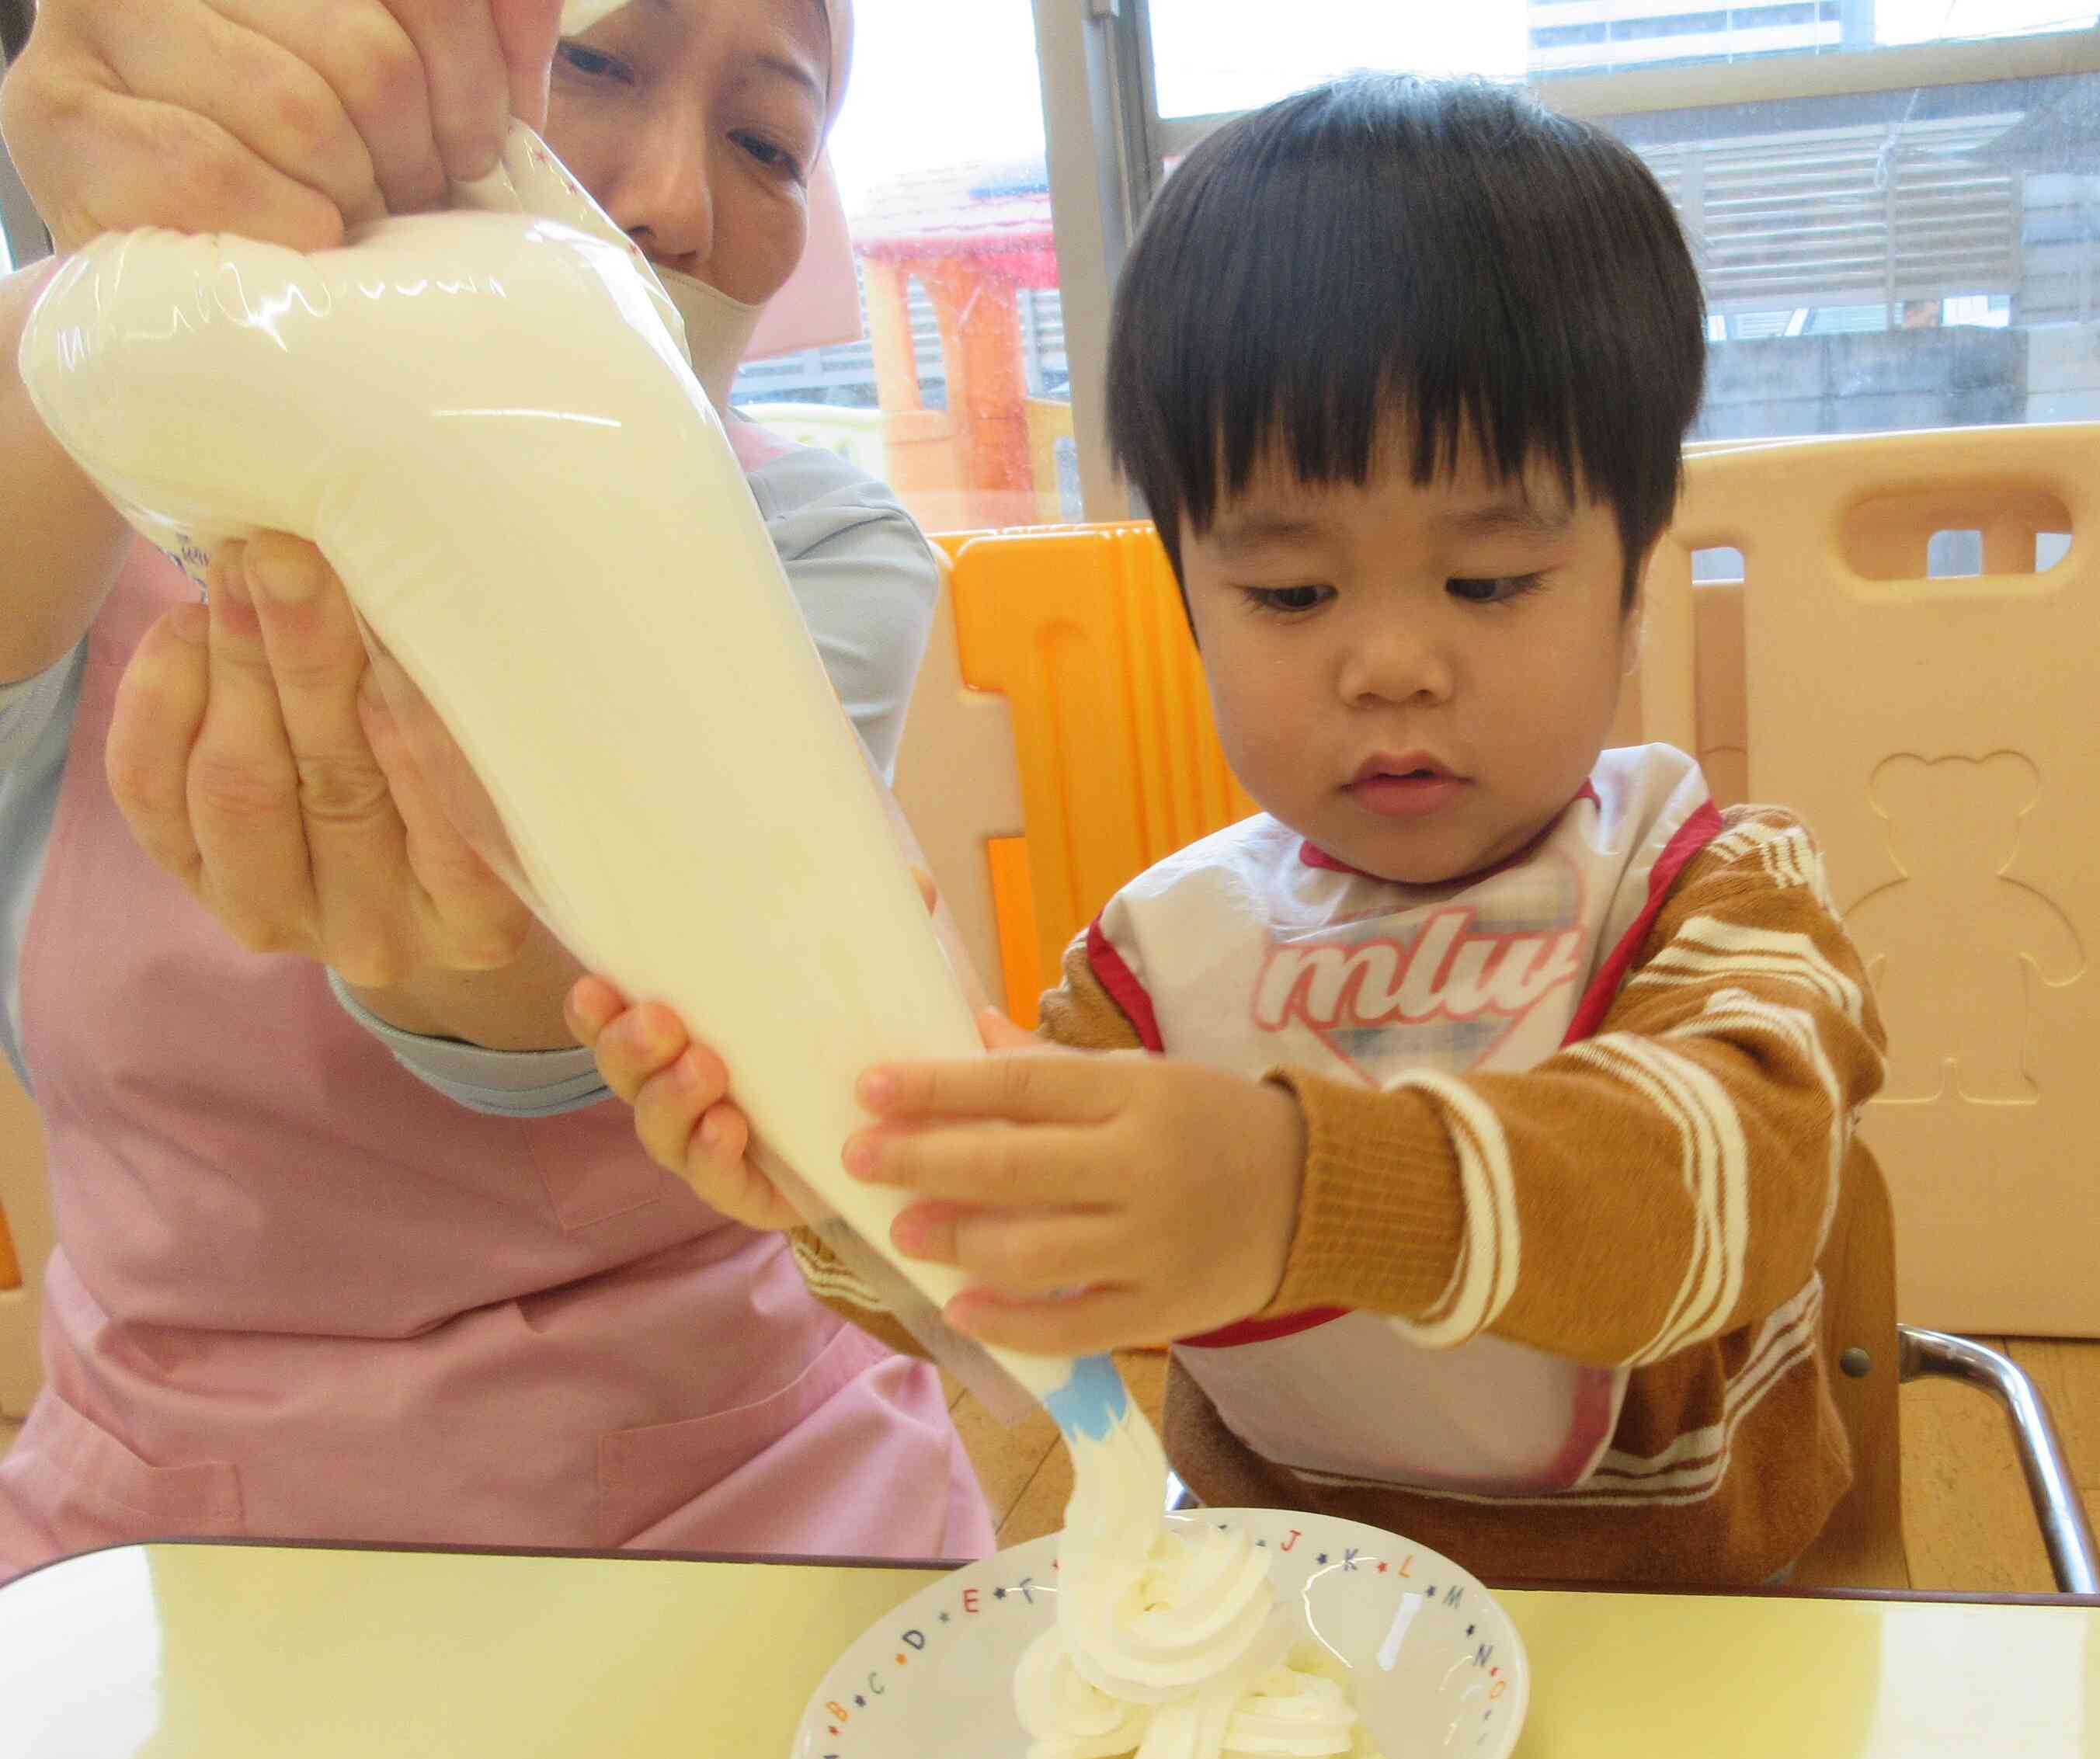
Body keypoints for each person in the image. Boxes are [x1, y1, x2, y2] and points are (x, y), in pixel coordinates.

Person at [578, 75, 1890, 1587]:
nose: (1390, 662)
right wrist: (834, 1169)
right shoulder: (1154, 968)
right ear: (1190, 601)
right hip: (1291, 1616)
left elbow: (1732, 1193)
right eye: (1289, 594)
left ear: (1629, 586)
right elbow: (996, 1267)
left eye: (1487, 582)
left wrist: (1291, 1193)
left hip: (1695, 1630)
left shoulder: (1715, 886)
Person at [0, 0, 990, 1573]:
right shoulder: (80, 482)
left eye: (765, 143)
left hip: (743, 1499)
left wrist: (500, 935)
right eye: (595, 62)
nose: (669, 196)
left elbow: (674, 991)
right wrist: (126, 219)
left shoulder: (822, 549)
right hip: (164, 1543)